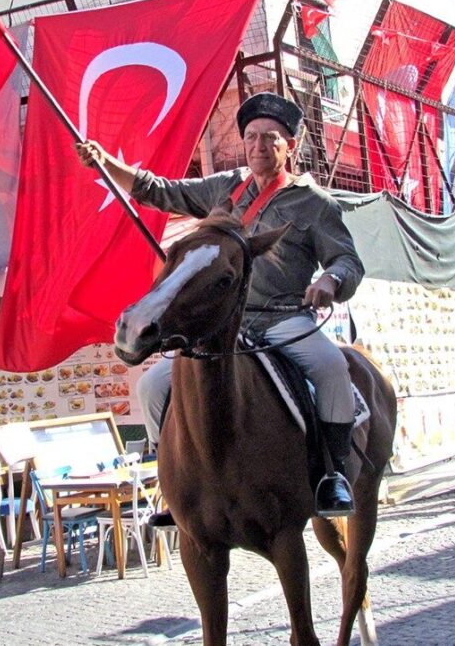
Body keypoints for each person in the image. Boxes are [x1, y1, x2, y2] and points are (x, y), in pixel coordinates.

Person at [75, 92, 365, 517]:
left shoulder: (314, 204)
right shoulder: (224, 188)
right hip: (224, 324)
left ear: (291, 145)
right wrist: (106, 163)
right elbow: (161, 191)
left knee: (332, 367)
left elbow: (348, 260)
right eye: (250, 137)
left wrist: (330, 278)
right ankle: (170, 479)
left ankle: (332, 474)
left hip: (282, 320)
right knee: (152, 387)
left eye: (270, 137)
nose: (259, 146)